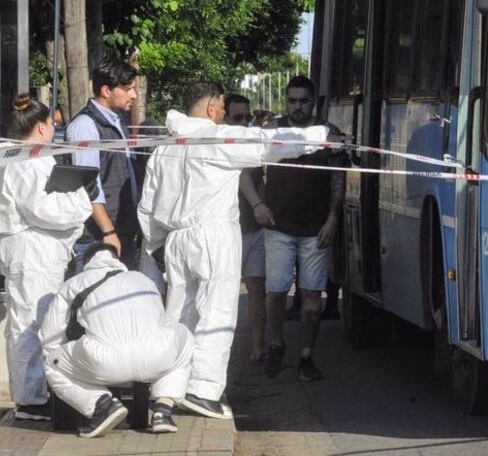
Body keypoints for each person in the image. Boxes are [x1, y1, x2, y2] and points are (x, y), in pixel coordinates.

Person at [137, 81, 330, 418]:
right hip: (212, 235)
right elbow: (272, 143)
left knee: (178, 316)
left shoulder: (165, 148)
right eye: (222, 106)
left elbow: (148, 205)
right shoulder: (219, 140)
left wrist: (155, 244)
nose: (225, 113)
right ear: (212, 106)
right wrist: (321, 135)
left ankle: (166, 392)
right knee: (216, 314)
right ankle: (203, 390)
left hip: (175, 240)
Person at [0, 94, 93, 422]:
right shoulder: (28, 160)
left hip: (35, 250)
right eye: (53, 124)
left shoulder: (17, 157)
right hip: (32, 251)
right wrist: (80, 201)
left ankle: (34, 394)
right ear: (43, 126)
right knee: (29, 323)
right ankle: (31, 400)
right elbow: (43, 208)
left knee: (33, 321)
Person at [40, 243, 193, 437]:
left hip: (103, 361)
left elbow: (50, 336)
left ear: (87, 262)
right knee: (184, 337)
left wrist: (62, 360)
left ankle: (102, 405)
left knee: (51, 363)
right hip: (154, 358)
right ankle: (163, 409)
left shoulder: (74, 284)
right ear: (116, 258)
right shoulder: (142, 279)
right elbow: (162, 321)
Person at [254, 75, 346, 382]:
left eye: (303, 100)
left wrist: (333, 218)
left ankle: (307, 354)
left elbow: (338, 177)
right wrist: (257, 204)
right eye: (292, 100)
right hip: (278, 226)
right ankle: (277, 343)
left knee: (311, 300)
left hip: (316, 228)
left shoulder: (327, 133)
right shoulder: (271, 130)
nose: (297, 106)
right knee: (275, 291)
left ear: (314, 102)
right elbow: (245, 168)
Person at [66, 57, 141, 267]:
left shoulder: (117, 121)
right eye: (127, 89)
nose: (134, 96)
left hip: (123, 229)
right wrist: (108, 231)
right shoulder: (85, 125)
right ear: (106, 90)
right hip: (98, 236)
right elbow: (89, 183)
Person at [225, 94, 267, 363]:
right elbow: (241, 176)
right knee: (225, 293)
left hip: (254, 229)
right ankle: (223, 352)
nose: (242, 123)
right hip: (228, 232)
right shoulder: (218, 143)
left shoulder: (253, 144)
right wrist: (257, 203)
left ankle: (258, 347)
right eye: (237, 118)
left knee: (256, 287)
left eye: (246, 118)